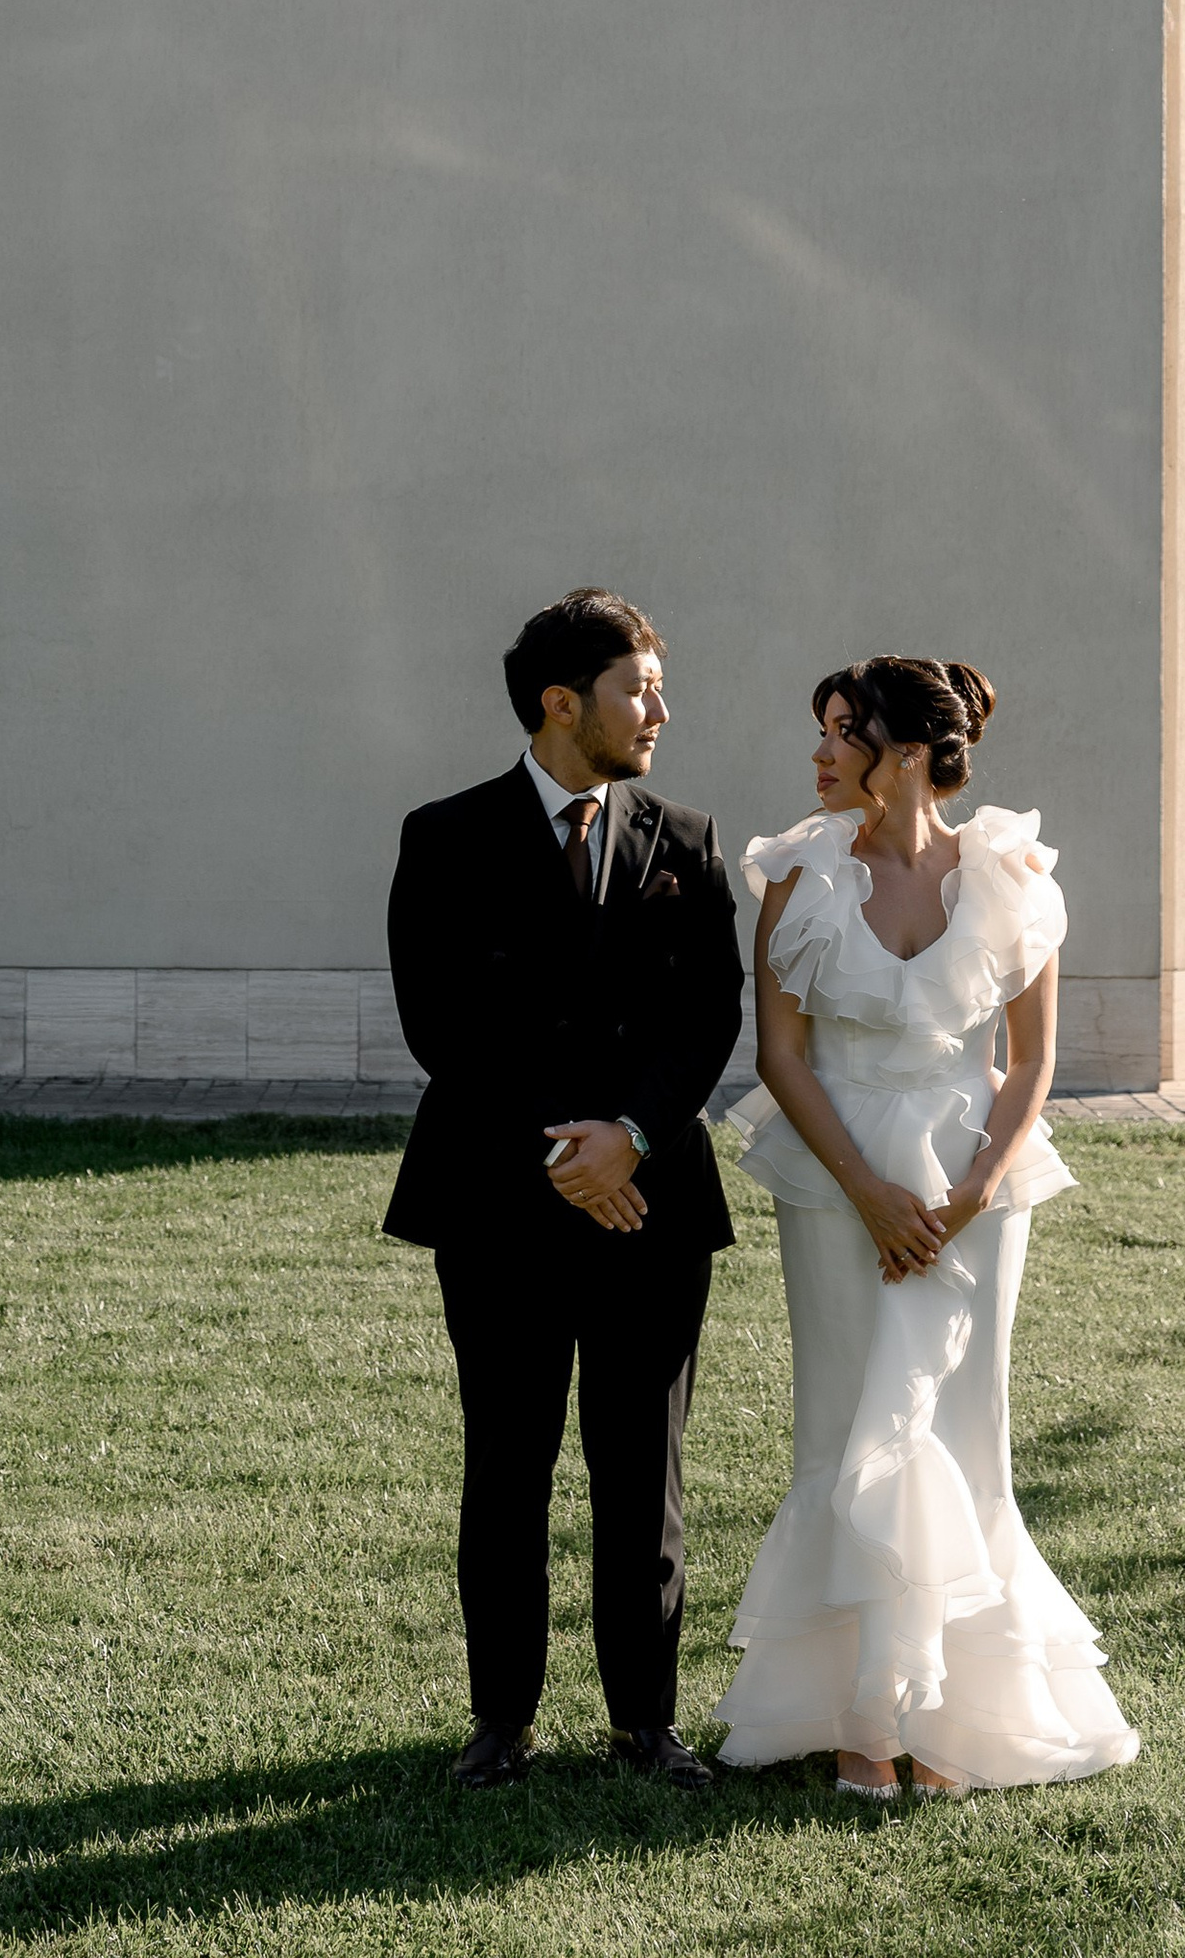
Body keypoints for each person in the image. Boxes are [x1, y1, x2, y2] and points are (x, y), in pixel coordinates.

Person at [716, 656, 1141, 1799]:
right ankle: (859, 1718)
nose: (818, 752)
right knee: (842, 1421)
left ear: (906, 752)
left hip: (972, 1186)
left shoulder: (1010, 873)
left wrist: (972, 1191)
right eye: (820, 729)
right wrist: (864, 1188)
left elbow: (1032, 1060)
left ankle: (951, 1716)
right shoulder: (797, 874)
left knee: (961, 1427)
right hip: (832, 1178)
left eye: (840, 730)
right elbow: (780, 1056)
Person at [383, 589, 745, 1791]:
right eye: (639, 689)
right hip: (498, 1197)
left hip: (653, 1201)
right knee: (507, 1466)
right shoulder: (444, 836)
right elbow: (441, 1024)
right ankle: (502, 1720)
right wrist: (563, 1154)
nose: (659, 711)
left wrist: (628, 1137)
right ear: (560, 702)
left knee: (643, 1471)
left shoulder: (686, 840)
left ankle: (647, 1721)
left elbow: (708, 1014)